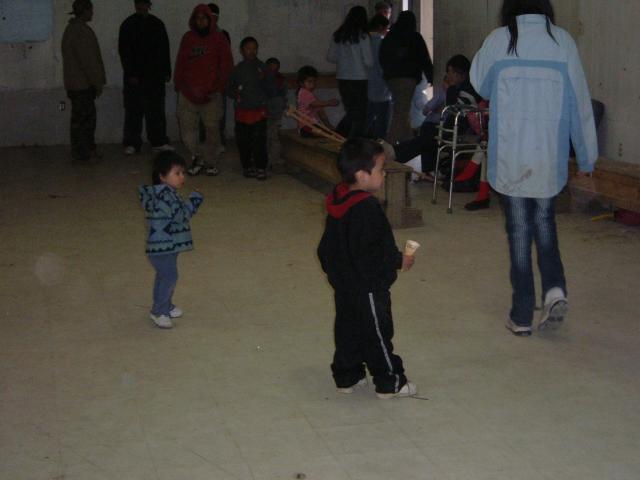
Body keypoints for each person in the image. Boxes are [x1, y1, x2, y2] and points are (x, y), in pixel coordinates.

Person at [470, 0, 598, 336]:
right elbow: (580, 104)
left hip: (510, 157)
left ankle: (522, 314)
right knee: (544, 224)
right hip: (547, 157)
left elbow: (479, 85)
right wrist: (587, 158)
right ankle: (554, 290)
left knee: (519, 233)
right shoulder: (563, 41)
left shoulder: (499, 39)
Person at [317, 138, 418, 399]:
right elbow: (376, 249)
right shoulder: (367, 207)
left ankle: (347, 375)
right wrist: (398, 260)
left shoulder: (337, 199)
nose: (383, 174)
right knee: (378, 333)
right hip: (368, 286)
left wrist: (336, 274)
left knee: (348, 329)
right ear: (363, 175)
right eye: (380, 169)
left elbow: (326, 247)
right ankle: (390, 381)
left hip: (344, 284)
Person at [138, 151, 203, 329]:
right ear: (162, 176)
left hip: (165, 246)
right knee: (170, 276)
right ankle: (159, 311)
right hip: (163, 248)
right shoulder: (166, 197)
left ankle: (165, 305)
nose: (182, 177)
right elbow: (182, 215)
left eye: (183, 173)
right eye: (177, 173)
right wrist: (195, 200)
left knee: (164, 276)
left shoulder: (165, 193)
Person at [174, 4, 233, 177]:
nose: (201, 21)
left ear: (210, 20)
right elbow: (181, 63)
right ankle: (197, 157)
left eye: (204, 18)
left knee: (212, 130)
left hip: (212, 95)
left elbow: (226, 66)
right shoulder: (188, 38)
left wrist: (217, 88)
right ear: (193, 20)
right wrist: (180, 85)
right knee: (187, 133)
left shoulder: (219, 39)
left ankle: (210, 162)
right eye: (198, 18)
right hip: (188, 94)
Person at [118, 0, 173, 155]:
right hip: (134, 78)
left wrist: (166, 71)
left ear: (149, 5)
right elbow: (124, 52)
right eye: (138, 3)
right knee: (133, 110)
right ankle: (132, 143)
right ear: (135, 5)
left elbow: (164, 50)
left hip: (155, 77)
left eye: (143, 3)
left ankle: (158, 141)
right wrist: (131, 73)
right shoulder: (128, 25)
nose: (141, 6)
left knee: (156, 110)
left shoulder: (157, 24)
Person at [61, 0, 106, 164]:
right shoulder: (82, 32)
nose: (92, 13)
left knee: (79, 120)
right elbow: (89, 62)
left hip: (74, 84)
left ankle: (82, 151)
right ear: (85, 11)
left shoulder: (70, 29)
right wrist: (97, 82)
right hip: (83, 85)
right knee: (85, 121)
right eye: (91, 10)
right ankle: (84, 153)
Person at [379, 10, 433, 143]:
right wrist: (431, 77)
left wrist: (388, 73)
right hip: (408, 79)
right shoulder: (414, 37)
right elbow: (424, 58)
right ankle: (388, 145)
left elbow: (382, 57)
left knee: (402, 109)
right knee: (401, 112)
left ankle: (408, 142)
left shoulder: (390, 37)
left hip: (392, 79)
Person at [226, 37, 273, 180]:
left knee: (259, 140)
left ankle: (261, 167)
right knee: (243, 141)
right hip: (242, 112)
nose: (252, 51)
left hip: (259, 111)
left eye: (254, 48)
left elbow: (271, 88)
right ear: (242, 50)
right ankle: (247, 166)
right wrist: (237, 94)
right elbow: (229, 89)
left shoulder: (263, 68)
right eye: (248, 48)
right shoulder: (237, 69)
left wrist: (264, 79)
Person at [327, 6, 373, 138]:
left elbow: (330, 57)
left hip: (342, 78)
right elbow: (369, 61)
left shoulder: (338, 35)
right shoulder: (363, 36)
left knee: (351, 111)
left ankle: (340, 136)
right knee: (359, 115)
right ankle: (352, 143)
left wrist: (344, 60)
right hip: (359, 78)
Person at [207, 3, 232, 153]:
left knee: (219, 112)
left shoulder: (223, 34)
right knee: (204, 114)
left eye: (214, 17)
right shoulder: (196, 35)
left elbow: (226, 59)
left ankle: (220, 141)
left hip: (218, 80)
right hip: (202, 82)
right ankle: (206, 142)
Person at [366, 13, 392, 139]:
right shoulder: (382, 43)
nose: (387, 32)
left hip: (365, 85)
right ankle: (378, 147)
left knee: (366, 119)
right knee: (382, 121)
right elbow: (383, 67)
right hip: (381, 87)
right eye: (387, 29)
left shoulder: (363, 41)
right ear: (381, 27)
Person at [296, 66, 339, 136]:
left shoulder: (311, 95)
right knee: (322, 133)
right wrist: (328, 103)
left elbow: (320, 111)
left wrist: (328, 125)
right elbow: (314, 104)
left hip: (312, 125)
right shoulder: (303, 92)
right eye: (309, 82)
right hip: (305, 126)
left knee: (327, 132)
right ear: (301, 83)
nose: (312, 84)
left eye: (314, 81)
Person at [265, 57, 288, 171]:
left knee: (274, 137)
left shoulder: (281, 80)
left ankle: (274, 161)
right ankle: (267, 161)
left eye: (275, 69)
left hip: (275, 114)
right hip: (264, 113)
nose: (273, 72)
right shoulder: (263, 79)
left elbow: (284, 97)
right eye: (271, 69)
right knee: (267, 137)